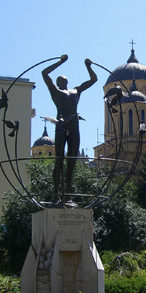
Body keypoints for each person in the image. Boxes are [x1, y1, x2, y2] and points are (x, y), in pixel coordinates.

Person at [42, 54, 97, 206]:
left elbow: (93, 80)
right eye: (59, 80)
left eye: (63, 80)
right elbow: (44, 73)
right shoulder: (55, 92)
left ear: (66, 81)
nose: (61, 81)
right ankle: (56, 195)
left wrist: (88, 66)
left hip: (74, 125)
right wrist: (60, 62)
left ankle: (67, 195)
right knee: (59, 161)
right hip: (61, 125)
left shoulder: (76, 91)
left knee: (72, 161)